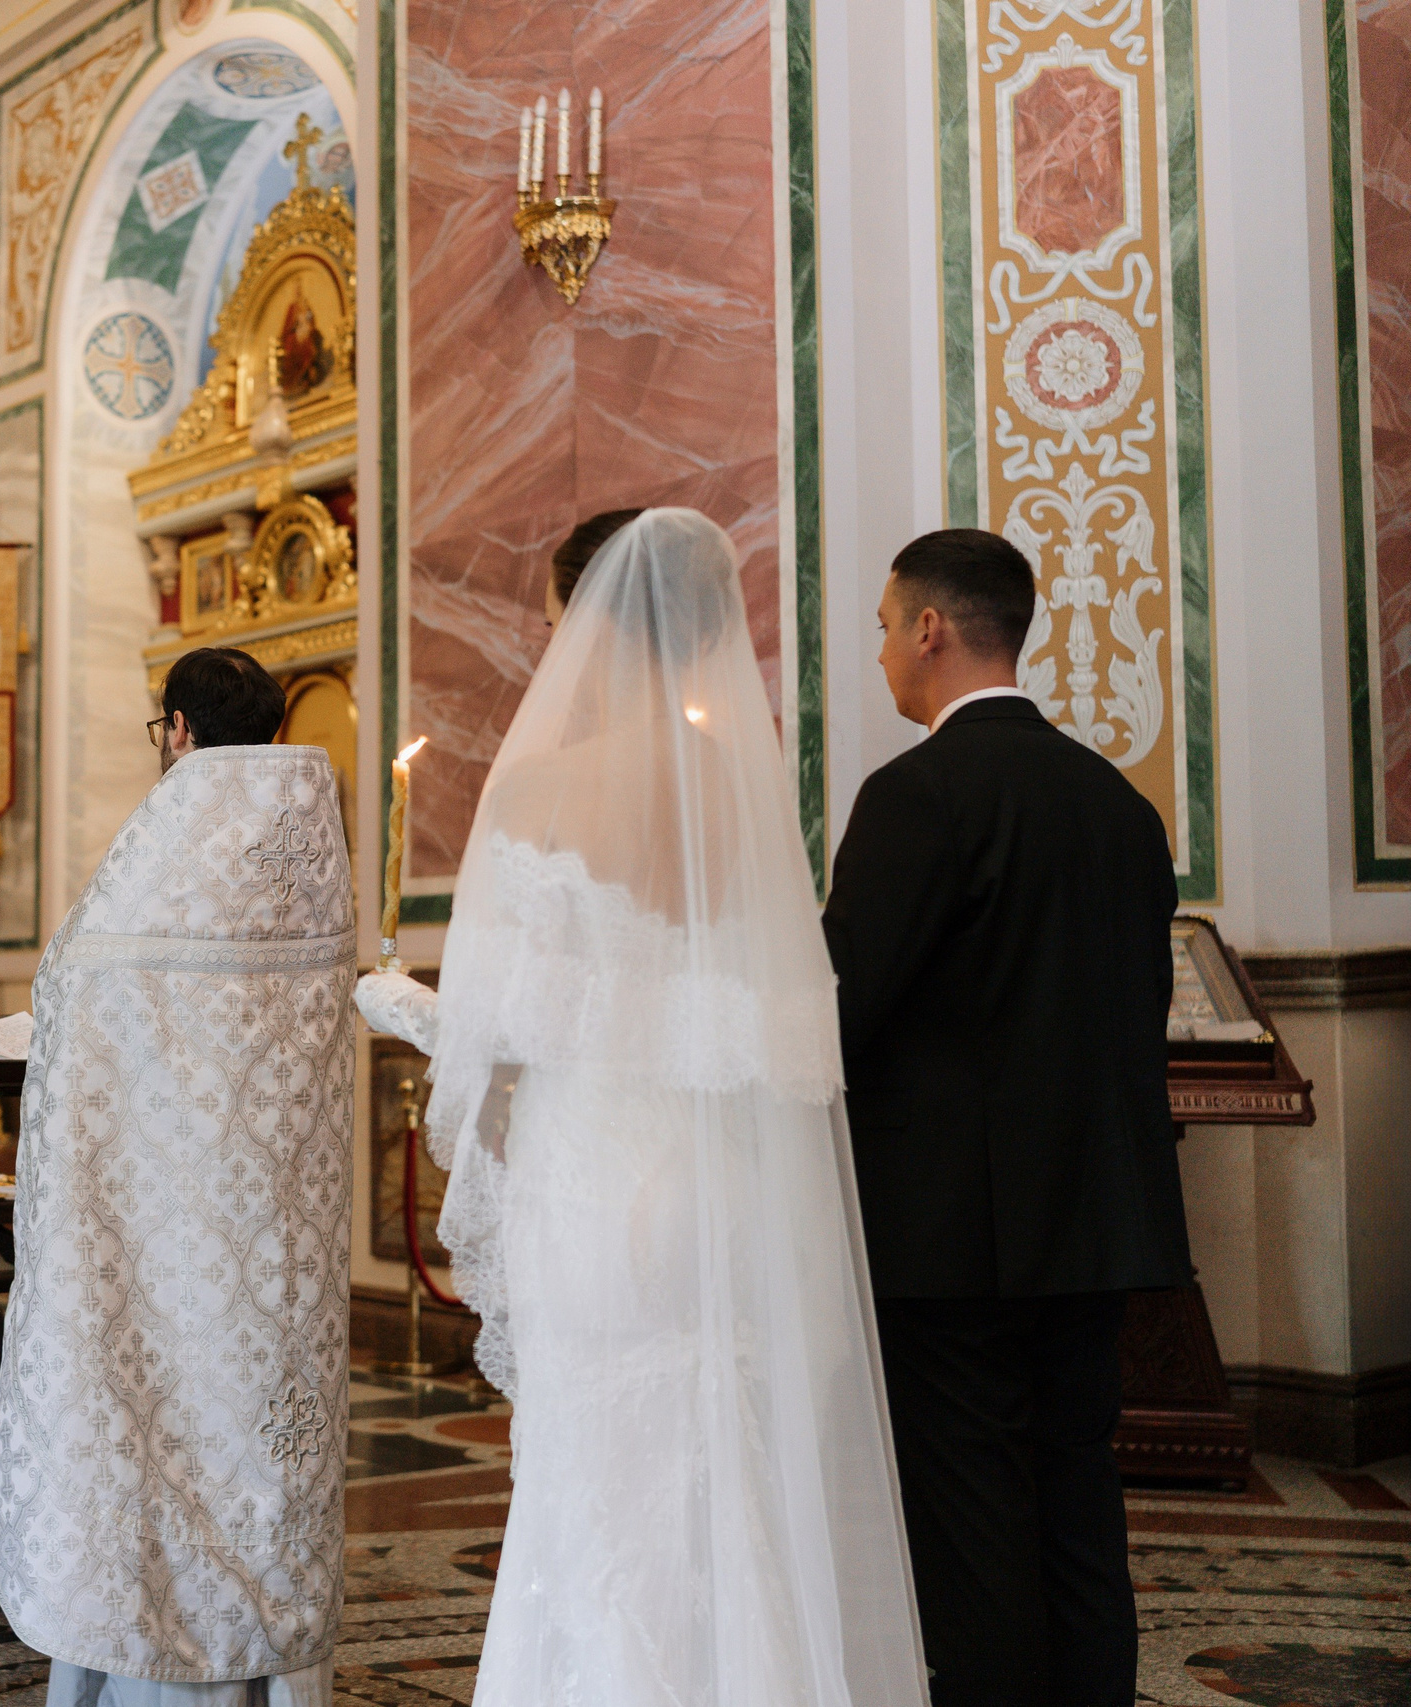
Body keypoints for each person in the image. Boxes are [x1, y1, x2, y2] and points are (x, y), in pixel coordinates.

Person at [356, 509, 928, 1707]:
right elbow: (766, 1023)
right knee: (724, 1485)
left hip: (594, 1187)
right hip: (719, 1186)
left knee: (590, 1491)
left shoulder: (544, 790)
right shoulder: (742, 796)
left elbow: (496, 1026)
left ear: (593, 624)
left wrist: (380, 992)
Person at [821, 528, 1190, 1707]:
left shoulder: (914, 795)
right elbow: (1136, 1011)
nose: (880, 653)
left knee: (971, 1526)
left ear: (929, 628)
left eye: (884, 626)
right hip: (1094, 1229)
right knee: (1078, 1509)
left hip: (950, 1244)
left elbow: (842, 1010)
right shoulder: (1120, 807)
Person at [0, 646, 354, 1707]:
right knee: (259, 1451)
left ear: (182, 731)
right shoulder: (306, 837)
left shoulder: (171, 837)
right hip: (276, 1241)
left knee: (158, 1442)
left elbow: (75, 990)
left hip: (159, 1237)